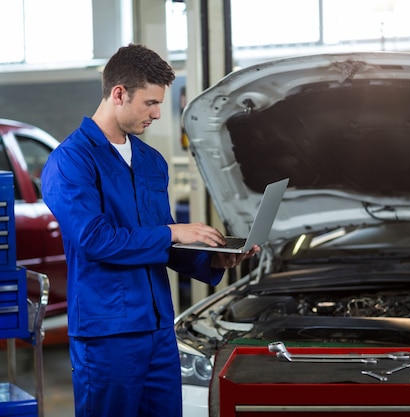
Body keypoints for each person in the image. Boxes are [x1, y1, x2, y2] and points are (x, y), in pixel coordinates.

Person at [40, 43, 257, 417]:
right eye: (150, 103)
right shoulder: (70, 161)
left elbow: (163, 240)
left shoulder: (150, 160)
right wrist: (175, 234)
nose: (158, 114)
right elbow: (95, 240)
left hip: (158, 328)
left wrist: (213, 258)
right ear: (119, 94)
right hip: (107, 333)